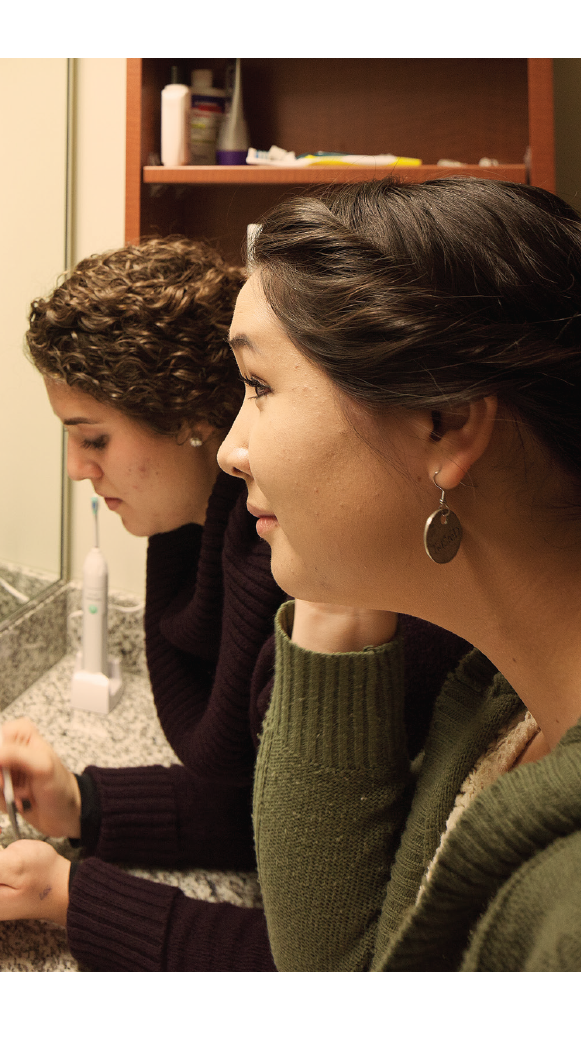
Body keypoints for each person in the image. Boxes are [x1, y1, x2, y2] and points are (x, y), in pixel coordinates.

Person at [0, 237, 467, 970]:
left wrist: (71, 898)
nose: (77, 468)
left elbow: (350, 962)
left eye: (94, 438)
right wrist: (86, 804)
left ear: (186, 418)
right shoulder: (205, 548)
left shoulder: (318, 583)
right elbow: (283, 808)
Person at [215, 176, 581, 970]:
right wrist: (333, 577)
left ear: (444, 422)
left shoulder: (567, 920)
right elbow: (348, 968)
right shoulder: (505, 703)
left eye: (258, 386)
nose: (229, 449)